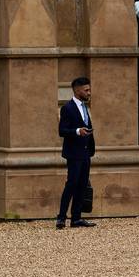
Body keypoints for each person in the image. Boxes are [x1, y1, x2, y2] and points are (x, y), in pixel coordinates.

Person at [56, 77, 96, 229]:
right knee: (71, 184)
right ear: (77, 90)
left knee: (82, 185)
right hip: (74, 153)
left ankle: (76, 218)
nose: (89, 92)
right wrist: (78, 131)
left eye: (89, 90)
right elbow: (62, 131)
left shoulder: (85, 107)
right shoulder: (68, 108)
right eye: (86, 90)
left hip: (85, 153)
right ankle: (61, 218)